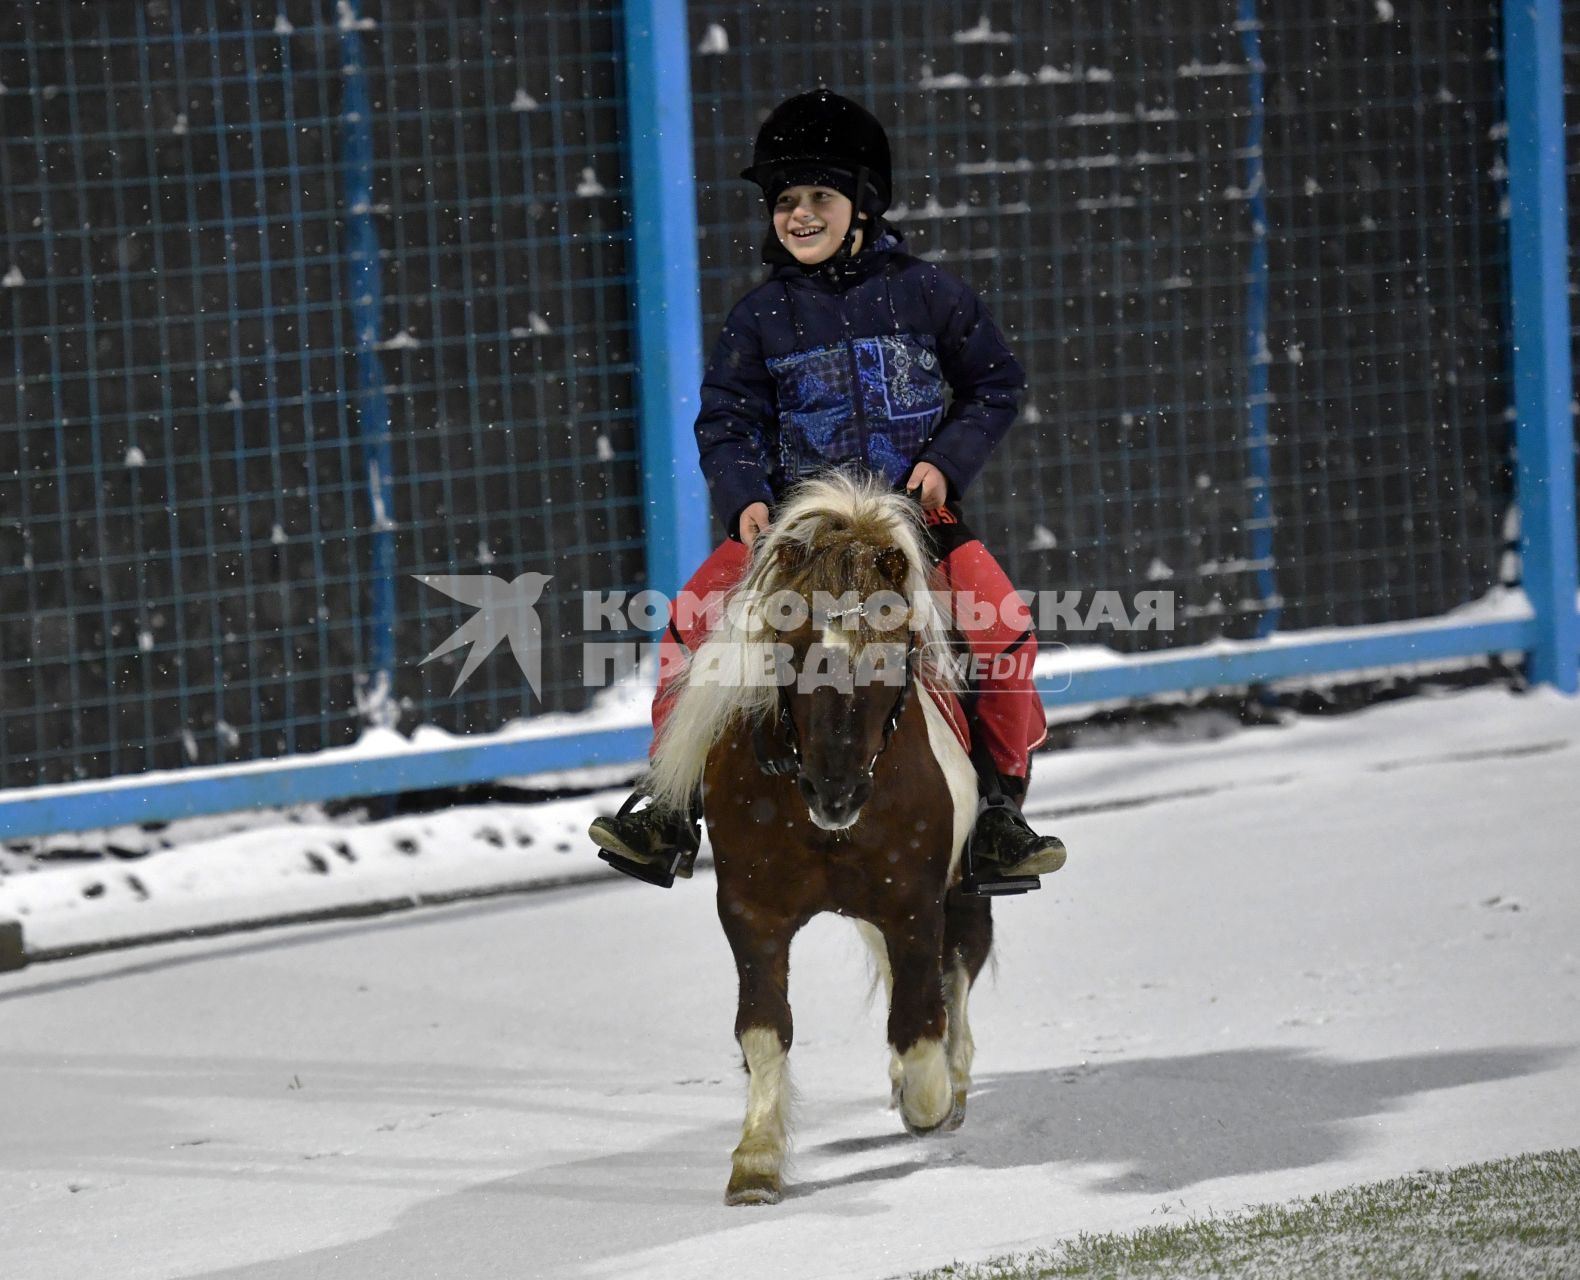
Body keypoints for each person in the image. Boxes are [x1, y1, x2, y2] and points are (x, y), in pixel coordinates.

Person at [589, 89, 1064, 890]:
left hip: (914, 525)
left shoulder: (931, 295)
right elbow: (727, 420)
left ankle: (997, 814)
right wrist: (744, 495)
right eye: (785, 201)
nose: (799, 215)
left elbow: (995, 384)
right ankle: (670, 807)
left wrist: (945, 463)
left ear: (864, 204)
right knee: (689, 627)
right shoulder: (760, 318)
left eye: (820, 197)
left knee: (1006, 631)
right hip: (795, 536)